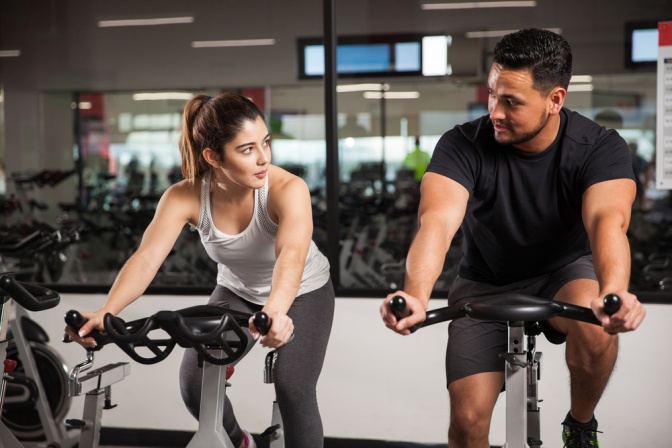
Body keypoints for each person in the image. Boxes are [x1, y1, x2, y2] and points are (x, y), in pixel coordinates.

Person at [380, 28, 646, 448]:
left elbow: (607, 222)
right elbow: (437, 221)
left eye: (511, 102)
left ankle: (579, 424)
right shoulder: (462, 144)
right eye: (491, 94)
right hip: (485, 278)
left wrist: (614, 293)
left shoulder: (598, 148)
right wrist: (416, 293)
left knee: (597, 331)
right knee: (467, 424)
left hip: (563, 272)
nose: (495, 111)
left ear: (555, 100)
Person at [65, 92, 335, 448]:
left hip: (303, 290)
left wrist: (275, 311)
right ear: (213, 157)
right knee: (194, 383)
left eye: (266, 143)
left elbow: (291, 255)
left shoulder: (287, 189)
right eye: (247, 149)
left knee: (293, 384)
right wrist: (106, 312)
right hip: (237, 292)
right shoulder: (185, 196)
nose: (264, 158)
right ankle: (242, 443)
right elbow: (147, 258)